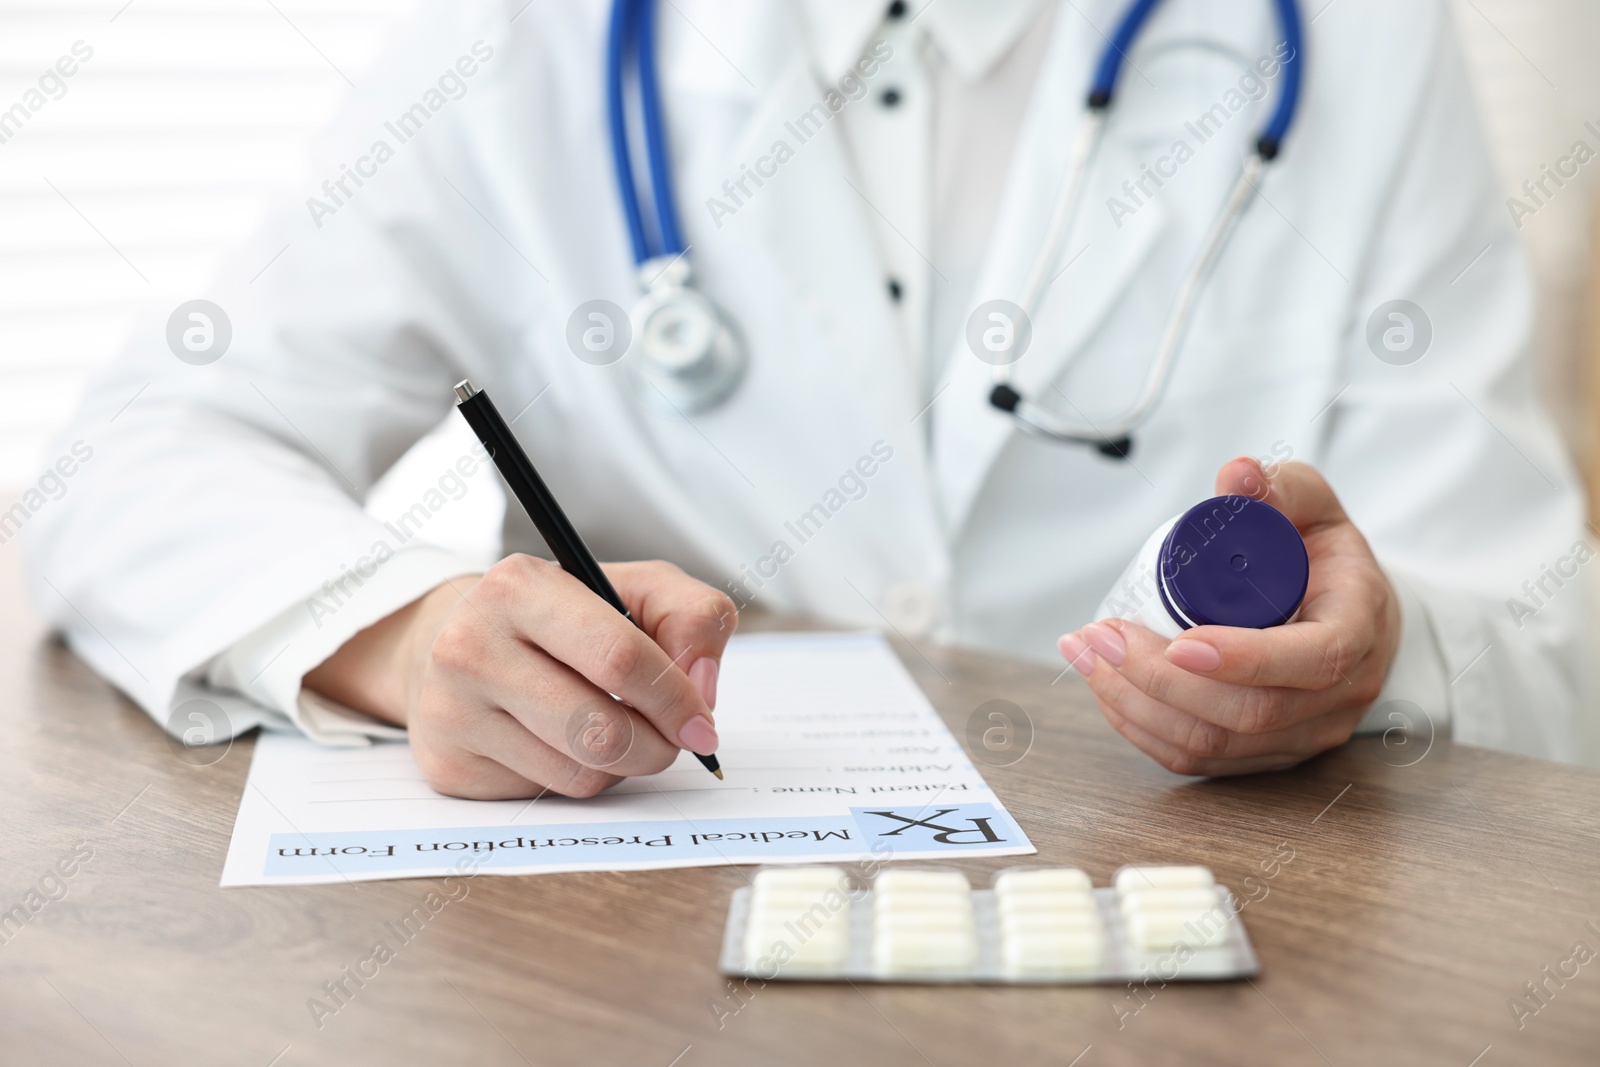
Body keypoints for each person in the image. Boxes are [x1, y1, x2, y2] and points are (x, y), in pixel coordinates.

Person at [21, 0, 1591, 797]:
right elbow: (133, 450)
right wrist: (403, 631)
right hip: (640, 947)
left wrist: (1393, 654)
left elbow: (1551, 638)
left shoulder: (1356, 41)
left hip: (1184, 945)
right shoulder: (531, 39)